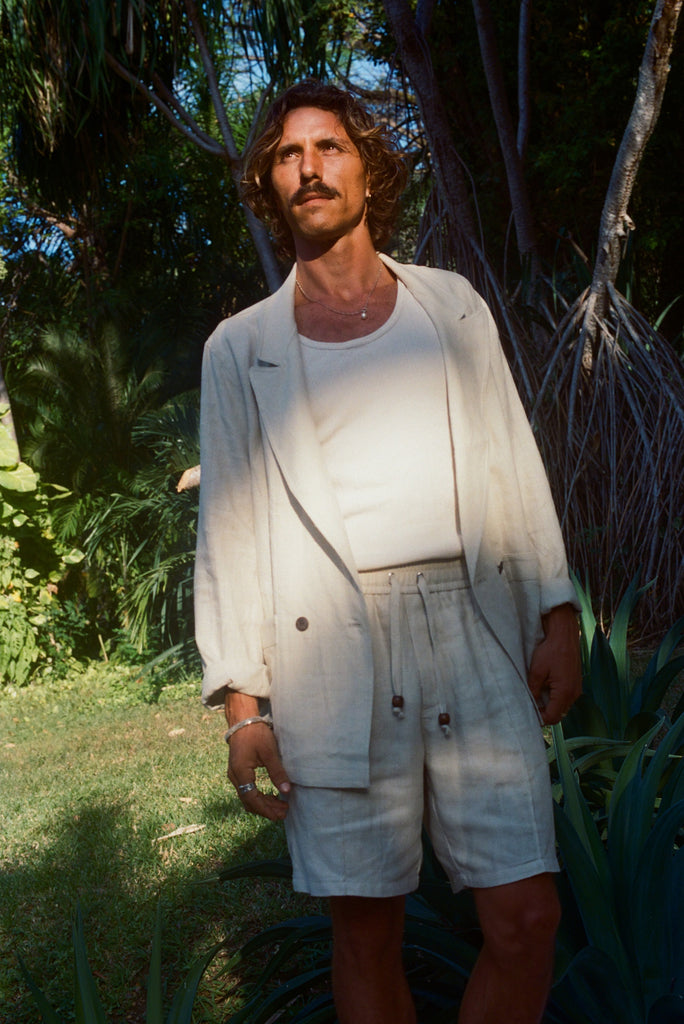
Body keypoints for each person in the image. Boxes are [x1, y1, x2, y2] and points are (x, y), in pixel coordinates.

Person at [194, 80, 582, 1024]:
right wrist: (244, 703)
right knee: (366, 931)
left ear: (370, 168)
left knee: (526, 916)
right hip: (328, 645)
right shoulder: (240, 349)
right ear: (268, 184)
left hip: (474, 626)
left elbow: (510, 459)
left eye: (329, 147)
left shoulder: (450, 307)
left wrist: (559, 612)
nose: (309, 168)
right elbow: (230, 531)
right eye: (288, 155)